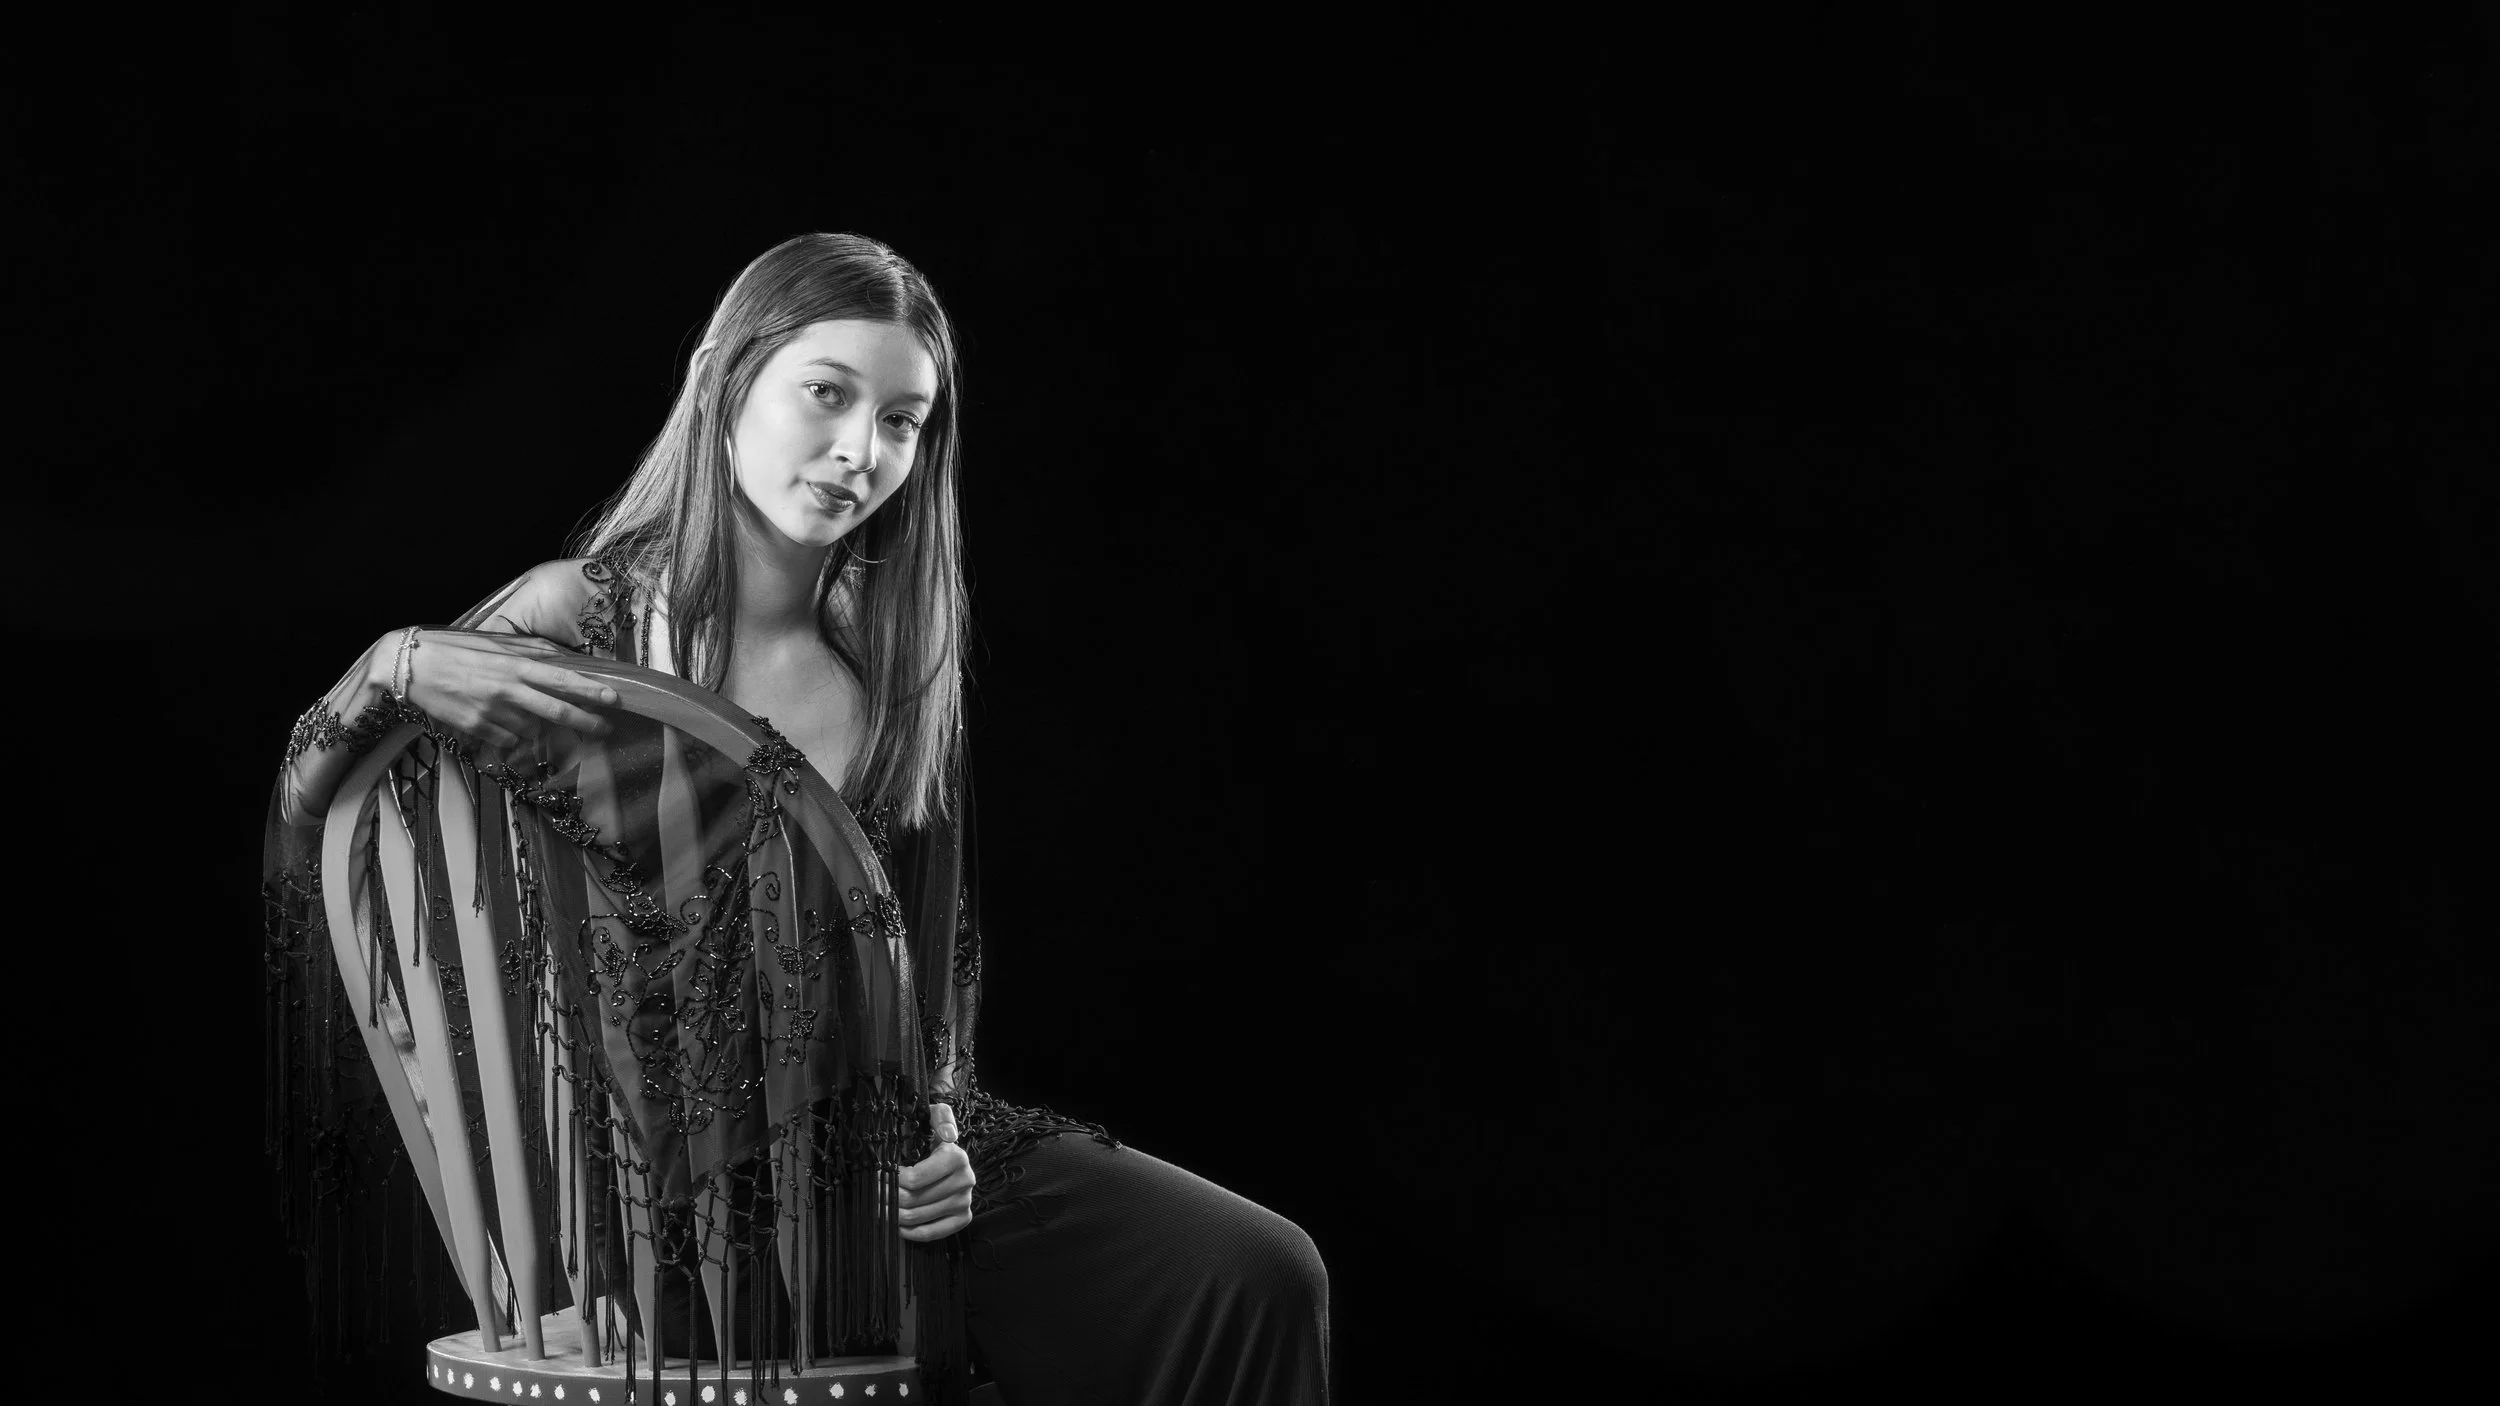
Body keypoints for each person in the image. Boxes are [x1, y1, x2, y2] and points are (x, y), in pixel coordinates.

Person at [264, 231, 1328, 1405]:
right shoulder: (581, 622)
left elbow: (931, 947)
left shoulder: (891, 661)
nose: (860, 450)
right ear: (727, 380)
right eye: (827, 393)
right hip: (669, 1188)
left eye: (901, 420)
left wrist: (942, 1123)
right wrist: (396, 661)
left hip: (880, 1158)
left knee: (1258, 1269)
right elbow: (337, 807)